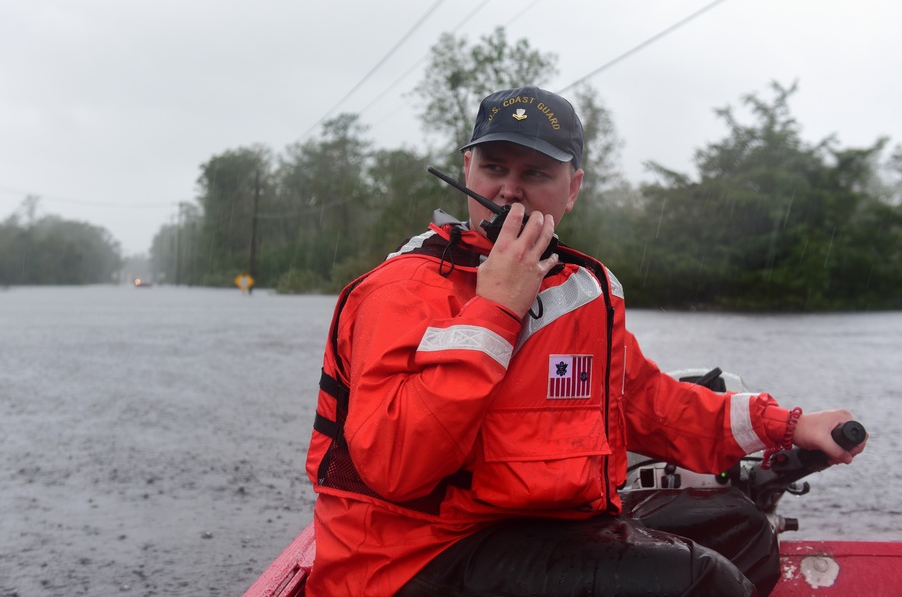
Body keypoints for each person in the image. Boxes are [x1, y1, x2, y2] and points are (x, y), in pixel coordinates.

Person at [304, 86, 865, 596]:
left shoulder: (580, 291)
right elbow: (398, 466)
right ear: (466, 171)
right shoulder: (398, 293)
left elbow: (653, 405)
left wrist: (787, 426)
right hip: (409, 560)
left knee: (740, 529)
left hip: (533, 533)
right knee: (702, 580)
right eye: (493, 167)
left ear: (571, 189)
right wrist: (495, 309)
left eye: (536, 173)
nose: (509, 190)